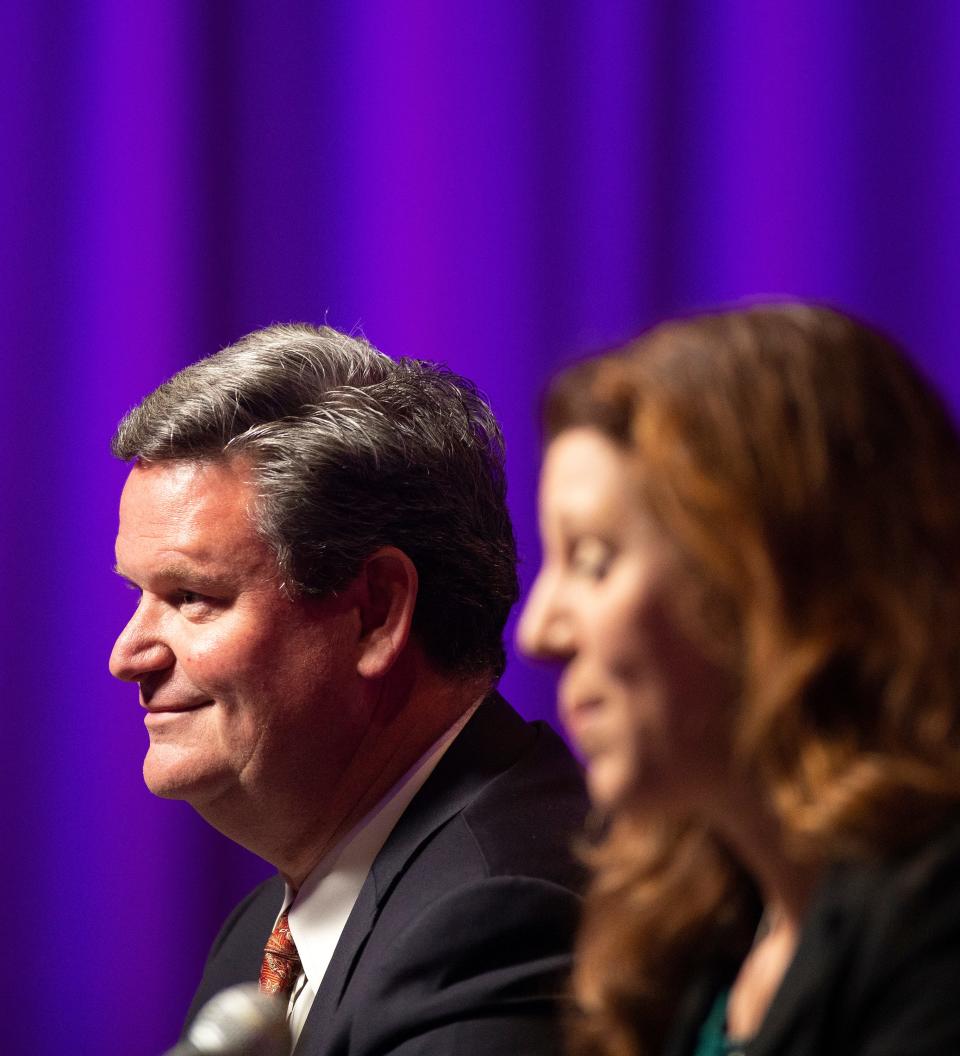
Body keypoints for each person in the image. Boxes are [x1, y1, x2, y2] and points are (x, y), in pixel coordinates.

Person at [108, 323, 588, 1056]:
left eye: (191, 596)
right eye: (138, 595)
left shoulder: (501, 916)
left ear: (375, 613)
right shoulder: (259, 938)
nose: (127, 655)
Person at [518, 303, 960, 1056]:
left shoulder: (938, 927)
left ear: (775, 578)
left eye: (591, 559)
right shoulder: (682, 935)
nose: (538, 634)